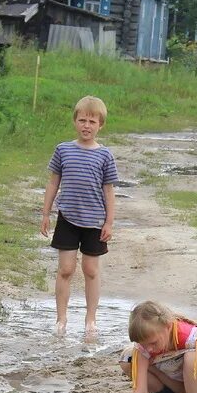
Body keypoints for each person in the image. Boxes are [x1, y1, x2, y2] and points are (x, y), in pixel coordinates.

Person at [40, 95, 119, 339]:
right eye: (82, 120)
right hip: (68, 218)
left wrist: (109, 222)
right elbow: (53, 182)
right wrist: (46, 213)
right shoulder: (63, 150)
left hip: (95, 221)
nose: (87, 125)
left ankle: (90, 320)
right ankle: (61, 319)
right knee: (65, 269)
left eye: (92, 121)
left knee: (91, 270)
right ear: (75, 122)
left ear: (100, 125)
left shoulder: (105, 155)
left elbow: (109, 190)